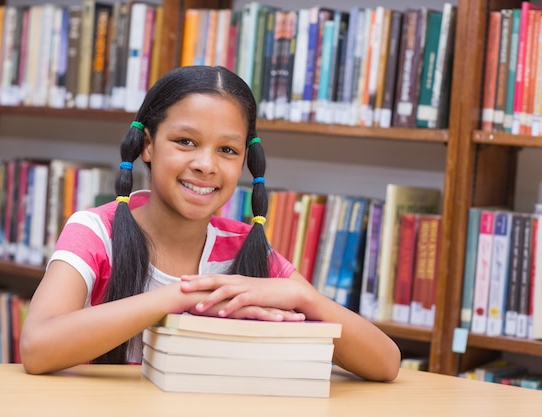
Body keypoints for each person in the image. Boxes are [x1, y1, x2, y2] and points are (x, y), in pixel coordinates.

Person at [20, 65, 401, 381]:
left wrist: (303, 297)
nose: (206, 164)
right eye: (185, 141)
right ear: (148, 146)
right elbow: (37, 349)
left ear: (245, 162)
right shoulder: (95, 232)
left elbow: (386, 363)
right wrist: (184, 297)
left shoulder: (244, 247)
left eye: (227, 150)